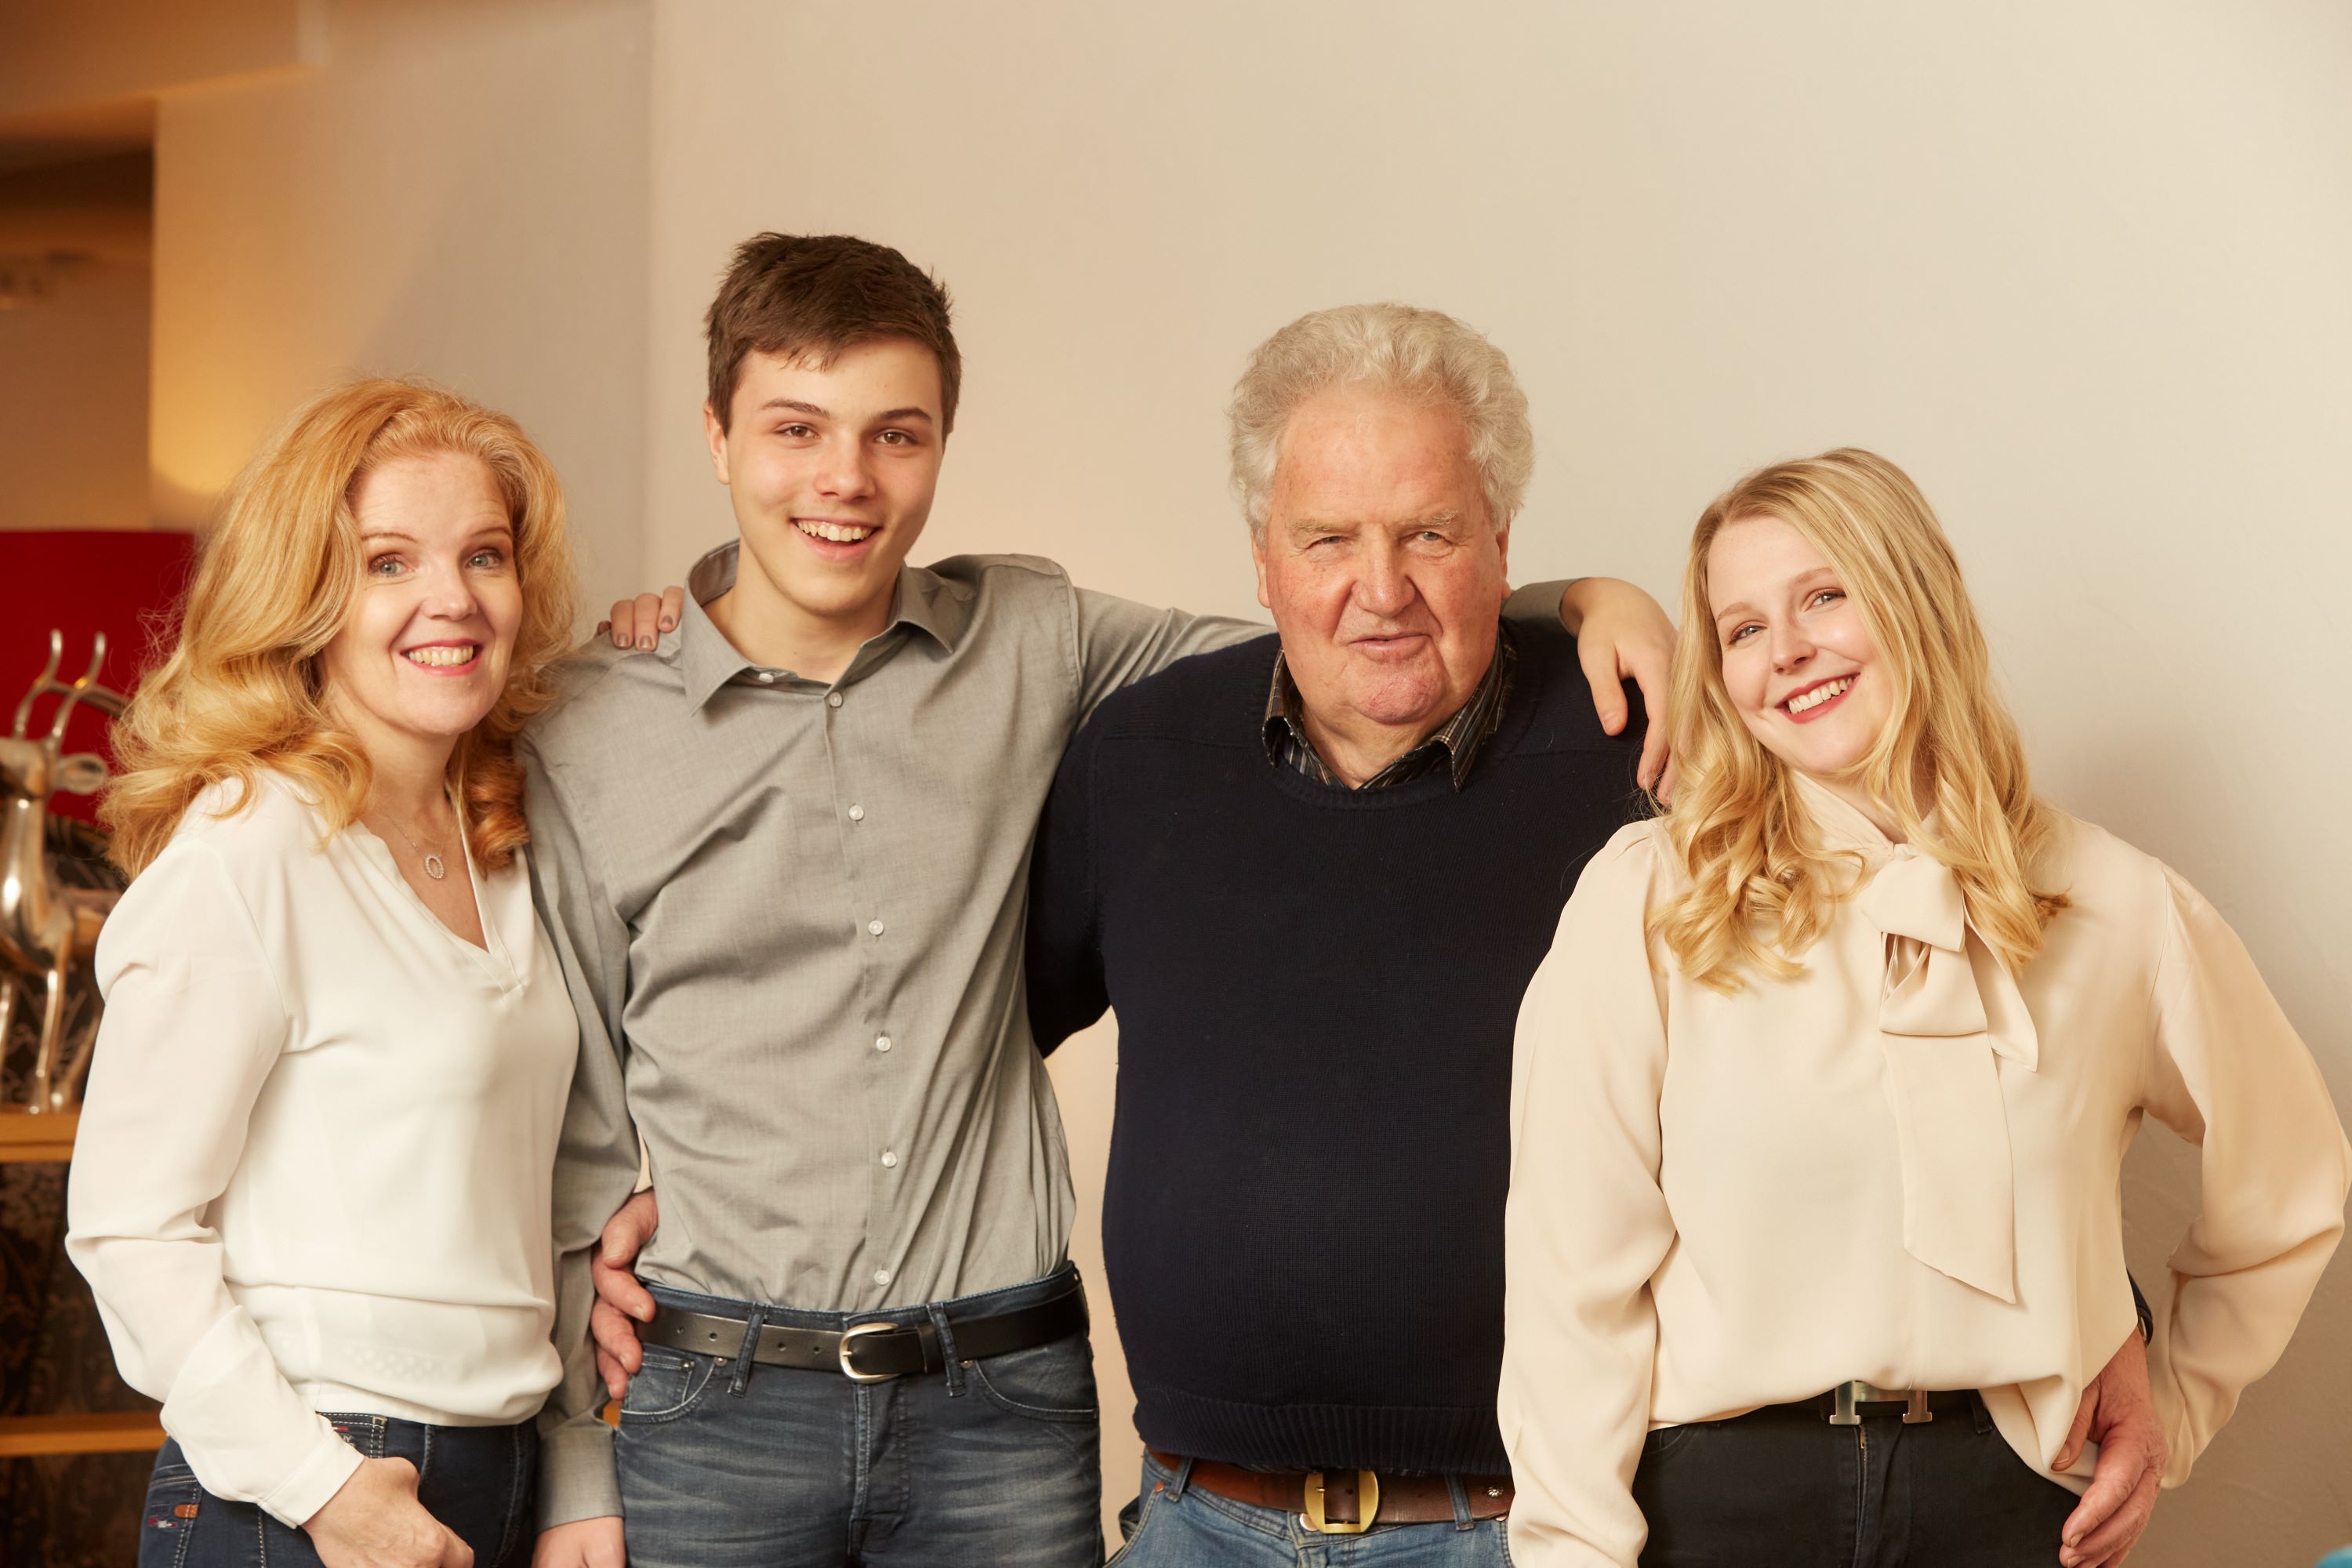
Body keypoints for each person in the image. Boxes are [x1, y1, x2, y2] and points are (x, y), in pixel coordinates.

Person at [529, 235, 1677, 1568]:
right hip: (753, 1403)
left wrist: (1592, 600)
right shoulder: (595, 722)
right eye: (797, 430)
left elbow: (1355, 639)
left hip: (1037, 1413)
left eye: (895, 434)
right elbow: (573, 1104)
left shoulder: (1045, 641)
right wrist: (575, 1441)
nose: (845, 479)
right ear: (718, 438)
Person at [1499, 448, 2351, 1568]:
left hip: (2006, 1506)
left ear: (1915, 599)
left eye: (1823, 596)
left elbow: (2291, 1186)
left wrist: (2175, 1406)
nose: (1788, 650)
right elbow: (1570, 1281)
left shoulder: (2115, 905)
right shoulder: (1648, 900)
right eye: (1744, 629)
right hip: (1716, 1509)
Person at [68, 380, 586, 1568]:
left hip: (502, 1463)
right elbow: (128, 1227)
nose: (450, 600)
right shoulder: (247, 853)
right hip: (305, 1483)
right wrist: (326, 1489)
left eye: (485, 556)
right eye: (388, 562)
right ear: (306, 597)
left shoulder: (502, 839)